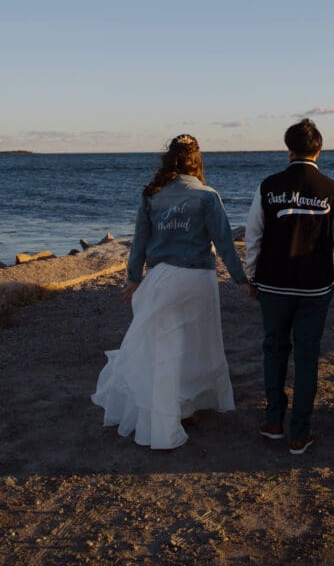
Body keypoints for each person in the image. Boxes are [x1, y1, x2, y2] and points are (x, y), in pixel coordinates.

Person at [91, 134, 248, 449]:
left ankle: (176, 410)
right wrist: (241, 280)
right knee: (195, 345)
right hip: (198, 281)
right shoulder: (207, 196)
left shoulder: (152, 196)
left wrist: (134, 279)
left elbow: (139, 244)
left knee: (165, 349)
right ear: (196, 161)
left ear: (169, 160)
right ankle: (185, 408)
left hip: (162, 280)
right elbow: (225, 243)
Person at [245, 118, 334, 454]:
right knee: (307, 357)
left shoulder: (267, 186)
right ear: (318, 150)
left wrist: (253, 276)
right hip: (314, 288)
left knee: (274, 349)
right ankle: (299, 433)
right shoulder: (333, 190)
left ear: (289, 149)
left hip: (274, 286)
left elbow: (253, 236)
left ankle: (274, 421)